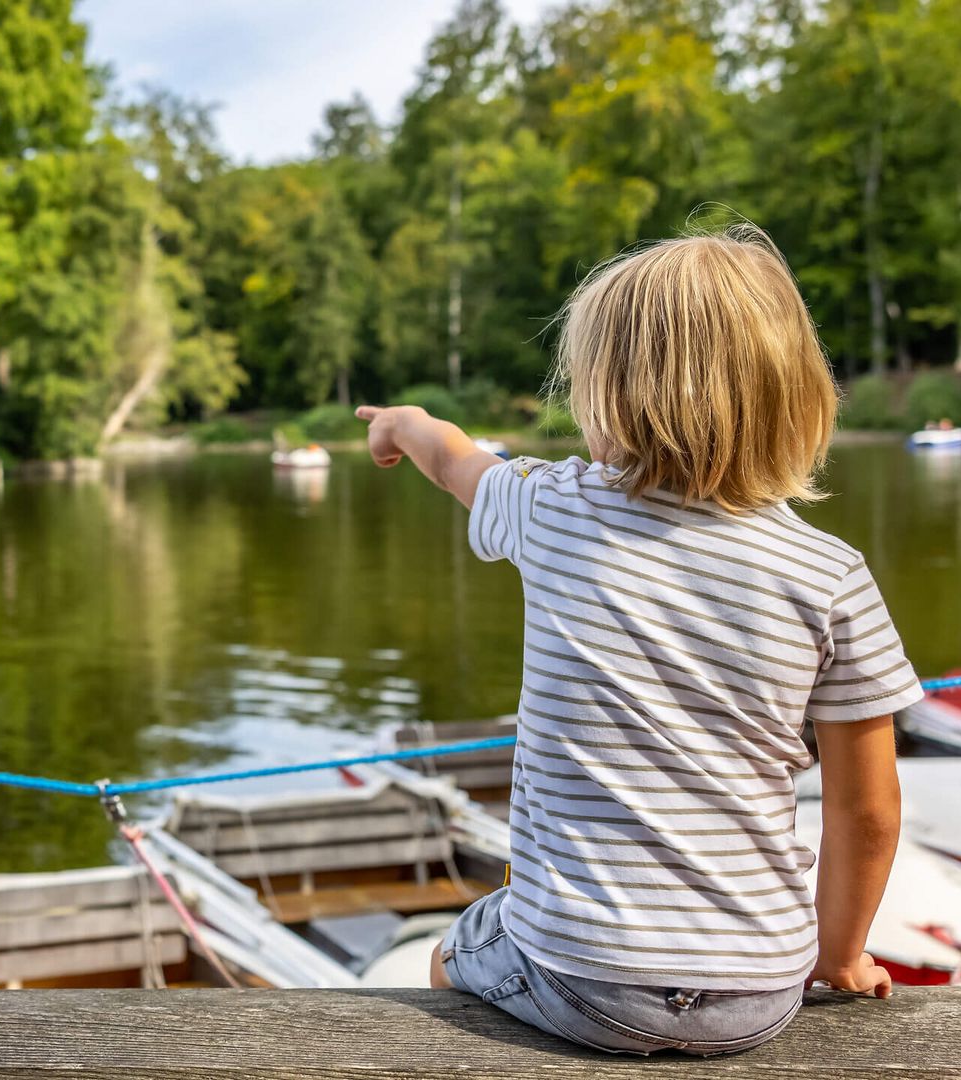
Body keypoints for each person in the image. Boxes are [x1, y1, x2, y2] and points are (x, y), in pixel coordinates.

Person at [356, 225, 914, 1056]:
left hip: (581, 978)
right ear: (793, 394)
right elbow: (866, 810)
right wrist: (840, 955)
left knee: (451, 959)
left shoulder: (553, 509)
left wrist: (404, 423)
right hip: (759, 992)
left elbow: (455, 462)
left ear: (610, 397)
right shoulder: (831, 574)